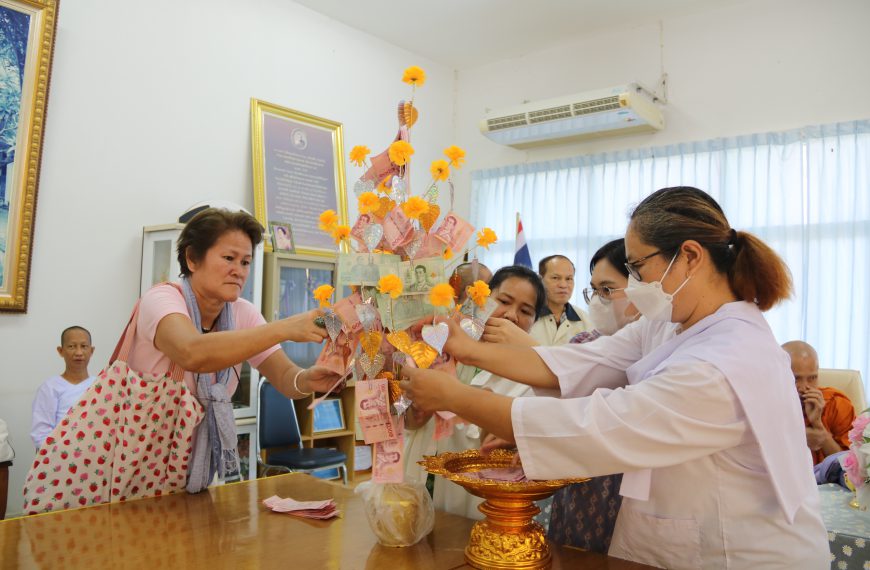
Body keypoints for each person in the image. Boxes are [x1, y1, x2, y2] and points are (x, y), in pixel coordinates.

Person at [401, 186, 829, 568]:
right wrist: (464, 346)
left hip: (739, 551)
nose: (636, 284)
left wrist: (452, 396)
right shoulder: (672, 322)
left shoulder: (724, 363)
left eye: (639, 269)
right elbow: (579, 363)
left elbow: (594, 427)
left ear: (691, 257)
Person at [128, 207, 341, 493]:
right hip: (135, 458)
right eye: (228, 258)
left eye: (245, 262)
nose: (238, 271)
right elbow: (192, 353)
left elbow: (286, 378)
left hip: (195, 465)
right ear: (192, 259)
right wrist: (284, 327)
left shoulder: (243, 313)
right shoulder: (162, 299)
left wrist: (307, 380)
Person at [404, 265, 546, 519]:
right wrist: (418, 410)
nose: (512, 316)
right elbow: (408, 420)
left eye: (526, 311)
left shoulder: (533, 379)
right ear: (482, 301)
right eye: (503, 301)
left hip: (483, 509)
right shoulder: (443, 351)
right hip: (423, 488)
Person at [548, 238, 638, 552]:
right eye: (594, 290)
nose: (597, 300)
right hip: (581, 483)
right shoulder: (584, 340)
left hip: (632, 482)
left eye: (607, 290)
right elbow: (554, 402)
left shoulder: (659, 346)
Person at [783, 340, 855, 465]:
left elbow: (849, 468)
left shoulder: (836, 404)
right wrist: (794, 437)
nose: (804, 387)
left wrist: (822, 433)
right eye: (795, 379)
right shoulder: (763, 404)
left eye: (812, 378)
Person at [31, 326, 97, 448]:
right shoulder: (50, 387)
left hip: (94, 457)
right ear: (60, 351)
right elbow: (40, 433)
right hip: (59, 458)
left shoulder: (100, 385)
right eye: (71, 346)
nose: (78, 353)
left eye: (84, 346)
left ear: (91, 351)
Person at [531, 255, 594, 346]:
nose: (563, 285)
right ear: (540, 280)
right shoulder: (527, 315)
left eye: (568, 279)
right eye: (555, 278)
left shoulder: (586, 321)